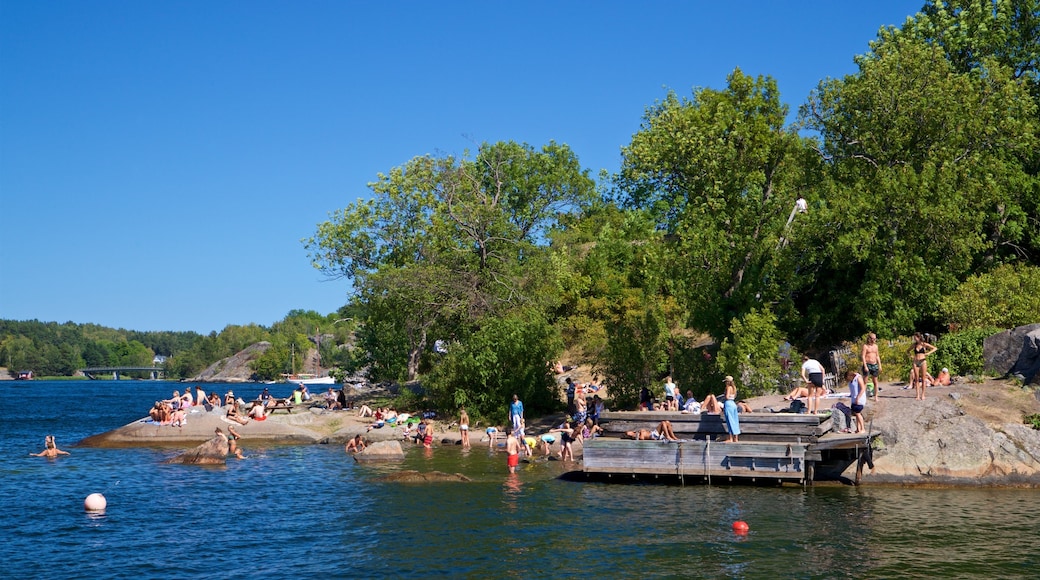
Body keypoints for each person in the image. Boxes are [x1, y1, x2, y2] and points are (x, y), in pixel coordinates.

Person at [910, 333, 938, 401]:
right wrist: (910, 356)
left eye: (915, 337)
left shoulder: (924, 344)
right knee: (916, 378)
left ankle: (923, 394)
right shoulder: (914, 345)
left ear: (919, 337)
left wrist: (928, 353)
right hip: (916, 361)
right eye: (914, 338)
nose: (914, 339)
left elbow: (935, 348)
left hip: (923, 361)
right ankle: (917, 395)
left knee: (923, 378)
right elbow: (907, 351)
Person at [861, 333, 883, 402]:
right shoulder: (865, 346)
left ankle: (876, 396)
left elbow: (877, 356)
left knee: (875, 382)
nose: (874, 340)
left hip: (874, 364)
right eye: (873, 339)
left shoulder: (876, 346)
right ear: (869, 339)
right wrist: (865, 366)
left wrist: (880, 365)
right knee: (865, 382)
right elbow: (863, 356)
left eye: (875, 339)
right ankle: (863, 396)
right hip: (868, 364)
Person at [846, 370, 866, 434]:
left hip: (859, 399)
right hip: (853, 399)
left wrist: (858, 397)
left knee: (858, 413)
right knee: (856, 413)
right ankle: (858, 429)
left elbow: (863, 388)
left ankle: (863, 429)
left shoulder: (858, 378)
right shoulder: (850, 381)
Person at [722, 376, 741, 443]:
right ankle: (736, 438)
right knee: (735, 420)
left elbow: (727, 397)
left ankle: (730, 438)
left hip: (728, 404)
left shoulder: (728, 388)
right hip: (733, 404)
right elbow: (734, 396)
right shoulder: (734, 388)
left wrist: (724, 396)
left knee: (730, 421)